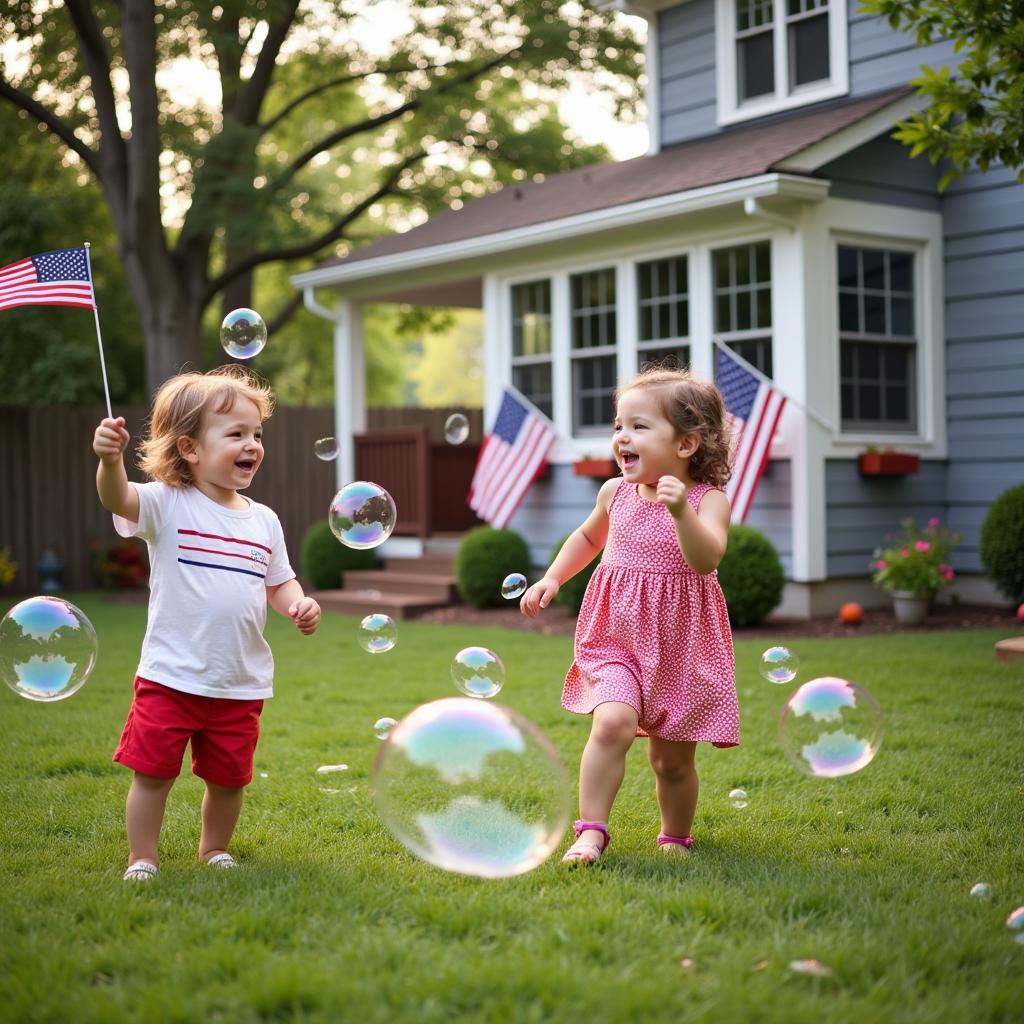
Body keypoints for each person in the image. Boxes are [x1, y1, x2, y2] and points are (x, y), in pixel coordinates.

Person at [92, 364, 321, 881]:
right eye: (236, 433)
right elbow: (117, 497)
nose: (252, 444)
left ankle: (213, 848)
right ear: (190, 448)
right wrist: (109, 462)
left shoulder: (263, 520)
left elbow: (278, 582)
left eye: (256, 434)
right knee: (152, 773)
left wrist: (298, 604)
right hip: (171, 675)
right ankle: (142, 857)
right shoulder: (166, 504)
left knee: (228, 779)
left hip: (239, 680)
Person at [520, 366, 738, 864]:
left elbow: (707, 558)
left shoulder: (708, 502)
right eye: (619, 425)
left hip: (683, 644)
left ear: (686, 445)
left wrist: (682, 511)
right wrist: (553, 576)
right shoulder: (613, 493)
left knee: (671, 759)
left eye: (639, 427)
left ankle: (675, 837)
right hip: (616, 636)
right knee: (612, 723)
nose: (622, 437)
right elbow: (588, 539)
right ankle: (591, 831)